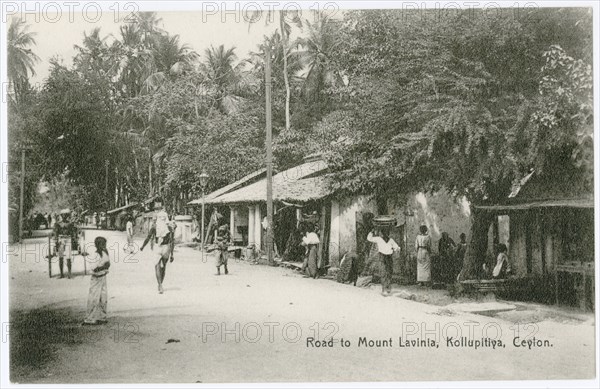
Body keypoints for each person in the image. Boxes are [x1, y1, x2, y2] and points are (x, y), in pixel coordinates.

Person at [83, 236, 111, 325]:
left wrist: (105, 266)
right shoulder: (95, 255)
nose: (104, 246)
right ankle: (90, 318)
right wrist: (104, 266)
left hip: (103, 277)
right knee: (93, 298)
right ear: (97, 245)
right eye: (102, 244)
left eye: (105, 244)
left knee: (103, 298)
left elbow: (108, 263)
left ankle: (102, 317)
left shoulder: (105, 252)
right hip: (96, 278)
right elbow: (95, 269)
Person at [367, 228, 400, 295]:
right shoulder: (379, 239)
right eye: (384, 233)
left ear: (388, 234)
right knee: (383, 272)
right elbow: (369, 238)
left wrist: (395, 251)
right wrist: (371, 232)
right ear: (382, 234)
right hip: (382, 257)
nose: (385, 234)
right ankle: (384, 289)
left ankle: (388, 288)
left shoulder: (391, 240)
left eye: (386, 233)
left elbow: (397, 247)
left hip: (389, 257)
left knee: (389, 272)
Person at [54, 209, 79, 279]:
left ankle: (69, 273)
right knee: (60, 257)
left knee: (68, 257)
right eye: (63, 215)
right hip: (60, 239)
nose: (64, 216)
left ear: (68, 216)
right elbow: (56, 233)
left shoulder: (70, 224)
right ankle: (61, 274)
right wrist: (56, 240)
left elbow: (73, 232)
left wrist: (75, 239)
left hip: (68, 239)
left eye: (66, 215)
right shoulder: (58, 224)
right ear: (61, 216)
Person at [155, 221, 176, 294]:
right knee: (161, 266)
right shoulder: (170, 228)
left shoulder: (156, 226)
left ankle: (160, 284)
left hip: (160, 247)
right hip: (165, 248)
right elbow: (172, 241)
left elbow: (172, 241)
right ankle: (160, 284)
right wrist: (172, 254)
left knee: (159, 266)